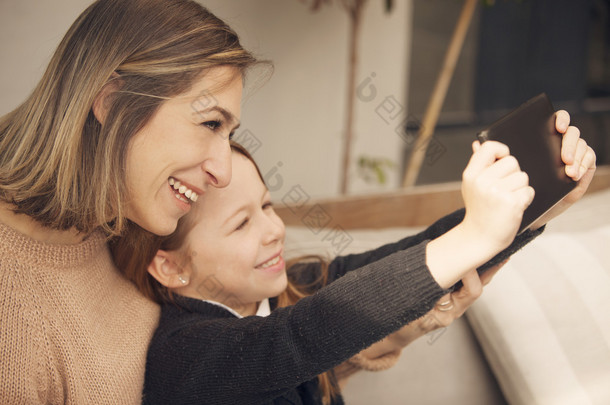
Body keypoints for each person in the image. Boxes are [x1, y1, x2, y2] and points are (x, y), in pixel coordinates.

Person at [110, 135, 595, 404]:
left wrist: (544, 199)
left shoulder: (284, 287)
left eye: (267, 205)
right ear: (169, 267)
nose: (274, 229)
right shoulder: (183, 355)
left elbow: (409, 254)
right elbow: (298, 338)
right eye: (241, 225)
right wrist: (475, 238)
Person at [0, 0, 260, 403]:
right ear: (112, 102)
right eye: (210, 123)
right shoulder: (12, 325)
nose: (223, 173)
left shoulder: (126, 228)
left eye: (227, 132)